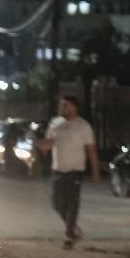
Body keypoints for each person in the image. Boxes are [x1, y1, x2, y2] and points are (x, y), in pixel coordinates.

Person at [37, 95, 100, 250]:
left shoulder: (83, 126)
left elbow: (91, 150)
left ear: (74, 107)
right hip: (58, 169)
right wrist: (39, 145)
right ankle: (73, 228)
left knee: (72, 204)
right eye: (61, 105)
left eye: (65, 105)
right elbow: (48, 145)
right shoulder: (55, 124)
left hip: (75, 171)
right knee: (57, 204)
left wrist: (95, 170)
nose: (62, 108)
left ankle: (68, 235)